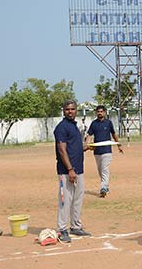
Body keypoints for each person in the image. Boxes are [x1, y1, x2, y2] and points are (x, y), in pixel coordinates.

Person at [54, 100, 92, 243]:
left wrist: (86, 147)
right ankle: (62, 229)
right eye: (67, 109)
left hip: (78, 170)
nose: (70, 111)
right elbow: (62, 150)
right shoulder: (61, 128)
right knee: (65, 200)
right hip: (66, 171)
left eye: (73, 109)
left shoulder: (74, 126)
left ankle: (76, 226)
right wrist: (70, 169)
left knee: (77, 199)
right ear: (63, 111)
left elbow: (74, 147)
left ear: (76, 111)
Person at [86, 105, 123, 198]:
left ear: (105, 112)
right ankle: (105, 186)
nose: (100, 113)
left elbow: (113, 134)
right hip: (97, 151)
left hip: (107, 150)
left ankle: (103, 188)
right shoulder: (94, 124)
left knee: (104, 169)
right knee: (100, 170)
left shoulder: (108, 123)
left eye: (101, 111)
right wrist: (87, 145)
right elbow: (89, 135)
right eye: (98, 111)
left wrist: (118, 145)